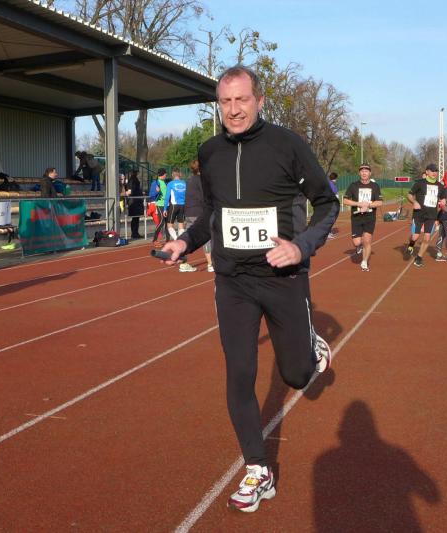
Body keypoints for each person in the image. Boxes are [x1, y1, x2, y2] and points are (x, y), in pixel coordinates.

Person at [158, 65, 339, 512]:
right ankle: (258, 468)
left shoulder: (287, 144)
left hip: (282, 276)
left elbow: (327, 203)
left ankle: (309, 345)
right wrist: (185, 242)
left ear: (260, 101)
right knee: (239, 373)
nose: (234, 110)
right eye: (226, 102)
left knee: (296, 375)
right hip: (232, 281)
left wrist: (301, 247)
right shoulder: (209, 152)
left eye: (242, 100)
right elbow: (211, 216)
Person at [342, 163, 383, 271]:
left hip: (370, 217)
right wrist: (358, 204)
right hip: (356, 217)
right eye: (362, 171)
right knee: (357, 242)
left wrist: (368, 205)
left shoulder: (375, 186)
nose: (364, 173)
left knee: (367, 241)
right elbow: (345, 200)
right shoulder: (353, 185)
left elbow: (379, 202)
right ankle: (359, 246)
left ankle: (364, 262)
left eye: (366, 171)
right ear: (359, 173)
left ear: (370, 173)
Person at [405, 163, 445, 267]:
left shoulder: (440, 186)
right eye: (432, 171)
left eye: (436, 171)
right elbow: (409, 194)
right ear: (427, 172)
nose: (434, 173)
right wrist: (414, 202)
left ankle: (419, 257)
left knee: (427, 238)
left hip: (431, 216)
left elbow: (443, 198)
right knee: (415, 236)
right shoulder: (420, 183)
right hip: (419, 214)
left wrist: (444, 201)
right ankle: (411, 244)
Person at [184, 159, 213, 272]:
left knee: (188, 236)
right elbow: (204, 196)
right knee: (206, 236)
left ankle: (184, 263)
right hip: (198, 211)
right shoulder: (201, 180)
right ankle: (210, 264)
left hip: (188, 211)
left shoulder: (189, 180)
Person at [163, 168, 187, 245]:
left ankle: (176, 239)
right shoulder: (184, 183)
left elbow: (167, 197)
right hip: (183, 205)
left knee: (169, 225)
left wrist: (165, 209)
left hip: (174, 205)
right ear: (180, 174)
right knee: (181, 224)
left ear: (172, 175)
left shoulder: (170, 184)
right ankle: (180, 241)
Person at [149, 168, 168, 244]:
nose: (166, 175)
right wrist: (157, 192)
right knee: (162, 222)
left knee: (167, 222)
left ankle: (168, 240)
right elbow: (151, 195)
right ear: (162, 174)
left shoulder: (164, 182)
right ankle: (154, 239)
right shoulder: (156, 183)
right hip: (160, 204)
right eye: (165, 174)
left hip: (166, 204)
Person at [126, 170, 144, 239]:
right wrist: (140, 193)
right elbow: (132, 191)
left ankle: (135, 233)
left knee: (136, 218)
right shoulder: (133, 180)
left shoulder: (133, 180)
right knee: (135, 218)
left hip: (135, 201)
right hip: (134, 202)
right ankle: (134, 233)